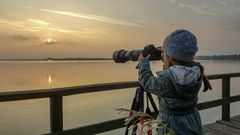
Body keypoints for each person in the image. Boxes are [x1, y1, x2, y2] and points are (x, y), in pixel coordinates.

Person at [138, 29, 209, 135]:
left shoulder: (166, 80)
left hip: (171, 126)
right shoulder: (197, 72)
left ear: (170, 57)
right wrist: (166, 53)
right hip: (192, 122)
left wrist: (143, 62)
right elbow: (179, 65)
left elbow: (146, 81)